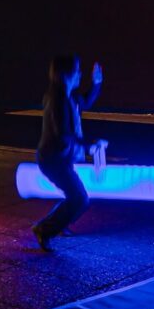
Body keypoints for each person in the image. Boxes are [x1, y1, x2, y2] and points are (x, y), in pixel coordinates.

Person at [31, 54, 106, 251]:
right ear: (67, 73)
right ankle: (43, 230)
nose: (80, 74)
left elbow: (86, 102)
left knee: (73, 195)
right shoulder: (57, 99)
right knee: (79, 198)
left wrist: (96, 83)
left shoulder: (69, 96)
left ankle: (58, 225)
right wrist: (91, 143)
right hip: (52, 160)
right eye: (77, 70)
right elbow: (64, 133)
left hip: (60, 158)